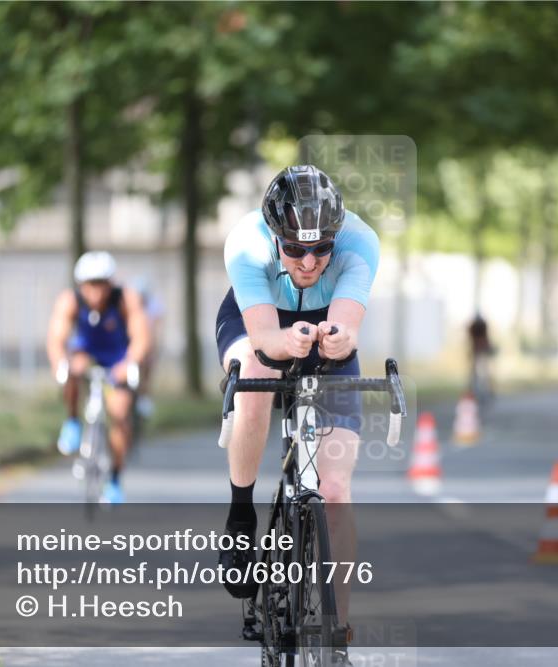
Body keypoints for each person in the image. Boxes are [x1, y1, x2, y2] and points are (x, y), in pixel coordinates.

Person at [215, 165, 379, 649]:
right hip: (261, 318)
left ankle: (338, 631)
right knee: (255, 374)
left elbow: (347, 328)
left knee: (334, 491)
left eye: (320, 249)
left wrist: (338, 343)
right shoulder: (246, 243)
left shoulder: (360, 242)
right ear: (274, 237)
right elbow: (265, 340)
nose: (308, 262)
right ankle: (241, 515)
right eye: (294, 249)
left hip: (324, 322)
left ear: (336, 237)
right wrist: (286, 342)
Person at [46, 251, 152, 504]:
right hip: (86, 352)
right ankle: (72, 421)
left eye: (102, 283)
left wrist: (130, 363)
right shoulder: (69, 301)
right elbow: (56, 338)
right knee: (71, 370)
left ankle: (115, 477)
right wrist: (60, 364)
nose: (97, 291)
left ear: (110, 283)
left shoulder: (126, 298)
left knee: (119, 412)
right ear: (81, 285)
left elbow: (141, 336)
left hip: (118, 358)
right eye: (90, 285)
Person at [129, 277, 166, 418]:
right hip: (133, 344)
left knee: (145, 374)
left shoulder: (153, 306)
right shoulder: (130, 304)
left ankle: (143, 400)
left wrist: (153, 350)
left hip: (148, 346)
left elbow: (155, 332)